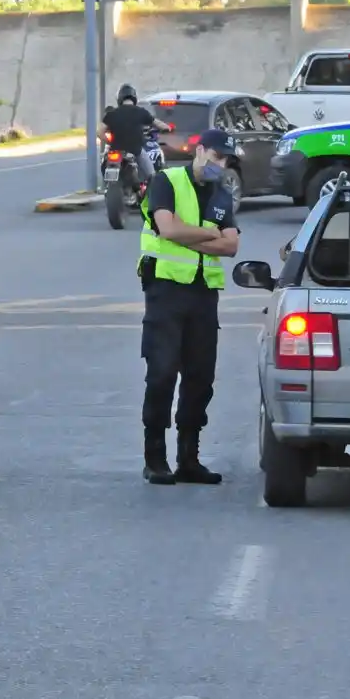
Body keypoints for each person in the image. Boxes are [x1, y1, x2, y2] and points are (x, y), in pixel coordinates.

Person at [136, 129, 240, 486]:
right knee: (162, 373)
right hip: (166, 290)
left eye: (226, 160)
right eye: (216, 156)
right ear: (200, 151)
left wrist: (192, 233)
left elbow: (231, 247)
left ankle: (188, 458)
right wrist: (212, 235)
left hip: (203, 294)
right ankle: (155, 458)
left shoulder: (222, 194)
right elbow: (167, 229)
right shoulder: (167, 180)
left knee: (200, 378)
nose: (220, 165)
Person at [101, 84, 170, 182]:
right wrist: (167, 128)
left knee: (105, 160)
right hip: (136, 150)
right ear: (134, 97)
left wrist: (110, 142)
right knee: (152, 176)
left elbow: (99, 132)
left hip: (116, 150)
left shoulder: (112, 114)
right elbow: (158, 123)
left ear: (120, 98)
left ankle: (107, 185)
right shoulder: (141, 112)